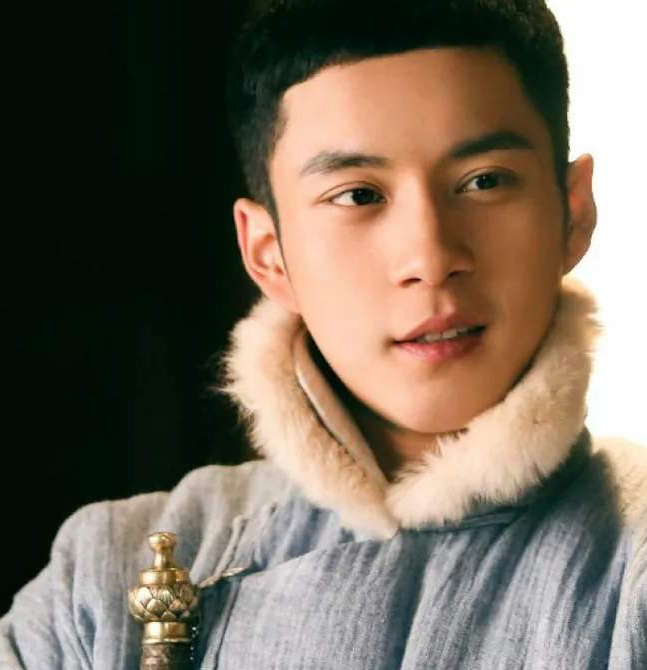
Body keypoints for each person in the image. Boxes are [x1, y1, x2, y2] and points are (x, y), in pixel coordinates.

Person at [2, 0, 645, 667]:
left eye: (483, 181)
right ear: (268, 255)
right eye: (358, 195)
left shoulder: (633, 565)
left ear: (573, 213)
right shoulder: (104, 583)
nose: (429, 257)